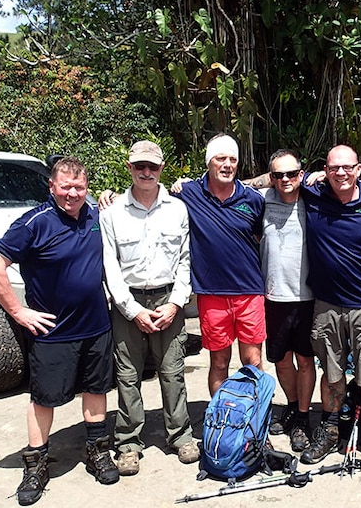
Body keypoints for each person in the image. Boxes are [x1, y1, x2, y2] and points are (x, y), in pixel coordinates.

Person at [0, 156, 119, 506]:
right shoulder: (34, 223)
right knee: (44, 399)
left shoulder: (95, 216)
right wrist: (18, 311)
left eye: (79, 187)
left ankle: (97, 451)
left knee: (96, 389)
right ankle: (36, 464)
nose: (73, 194)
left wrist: (110, 198)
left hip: (96, 325)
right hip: (53, 332)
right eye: (66, 187)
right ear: (52, 187)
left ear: (87, 187)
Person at [100, 140, 198, 476]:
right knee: (127, 376)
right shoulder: (111, 214)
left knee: (172, 371)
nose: (146, 172)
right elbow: (109, 266)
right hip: (129, 301)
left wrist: (175, 303)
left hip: (167, 298)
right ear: (129, 167)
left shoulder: (177, 209)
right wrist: (132, 310)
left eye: (152, 167)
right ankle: (128, 442)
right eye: (140, 166)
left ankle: (181, 434)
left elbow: (185, 261)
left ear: (161, 169)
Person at [297, 144, 361, 475]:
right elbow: (276, 176)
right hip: (326, 304)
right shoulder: (314, 191)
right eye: (333, 167)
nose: (341, 173)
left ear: (359, 168)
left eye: (347, 167)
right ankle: (330, 430)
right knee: (332, 373)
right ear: (325, 169)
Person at [175, 134, 266, 395]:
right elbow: (149, 192)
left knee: (254, 362)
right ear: (208, 163)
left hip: (249, 293)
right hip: (211, 294)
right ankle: (220, 425)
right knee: (219, 363)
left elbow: (259, 236)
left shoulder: (252, 199)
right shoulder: (189, 193)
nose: (227, 164)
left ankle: (255, 426)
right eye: (220, 158)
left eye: (232, 159)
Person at [259, 149, 316, 452]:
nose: (285, 179)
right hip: (273, 296)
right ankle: (292, 406)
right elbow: (232, 186)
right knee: (281, 359)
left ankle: (304, 418)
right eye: (278, 175)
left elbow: (350, 182)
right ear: (271, 177)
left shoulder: (314, 199)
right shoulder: (263, 199)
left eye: (291, 174)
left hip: (307, 296)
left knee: (305, 359)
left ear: (301, 175)